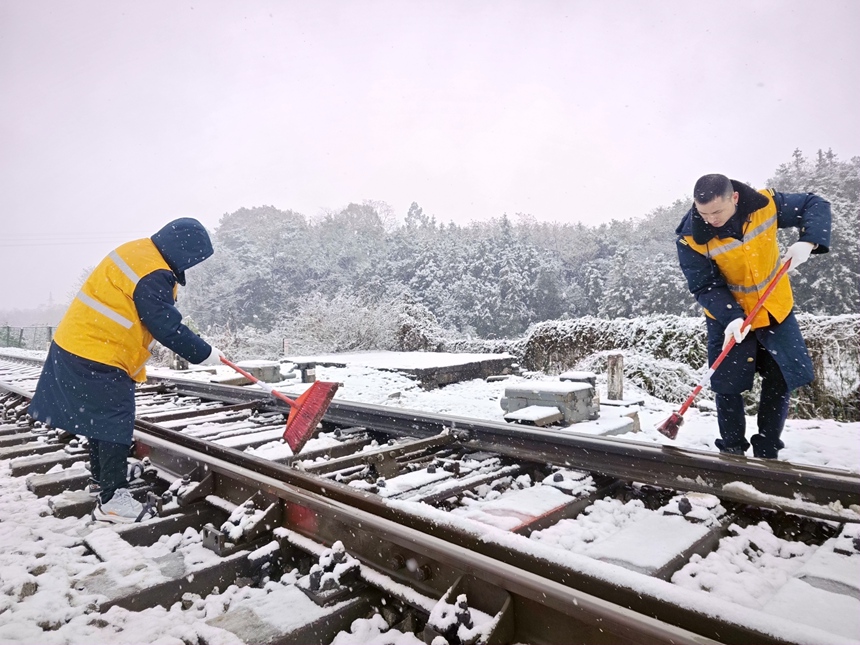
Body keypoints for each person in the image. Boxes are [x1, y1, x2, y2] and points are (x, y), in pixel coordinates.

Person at [28, 218, 225, 522]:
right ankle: (112, 500)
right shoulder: (153, 272)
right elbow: (164, 325)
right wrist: (205, 353)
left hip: (80, 344)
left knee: (99, 419)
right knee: (113, 422)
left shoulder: (140, 253)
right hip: (98, 351)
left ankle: (103, 480)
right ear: (183, 252)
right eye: (194, 259)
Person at [675, 174, 831, 459]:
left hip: (774, 310)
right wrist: (731, 317)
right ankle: (732, 450)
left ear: (734, 198)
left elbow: (814, 203)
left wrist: (809, 241)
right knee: (727, 385)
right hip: (730, 320)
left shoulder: (765, 205)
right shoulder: (690, 238)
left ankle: (768, 448)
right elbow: (704, 285)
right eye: (704, 213)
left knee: (779, 377)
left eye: (717, 212)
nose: (711, 219)